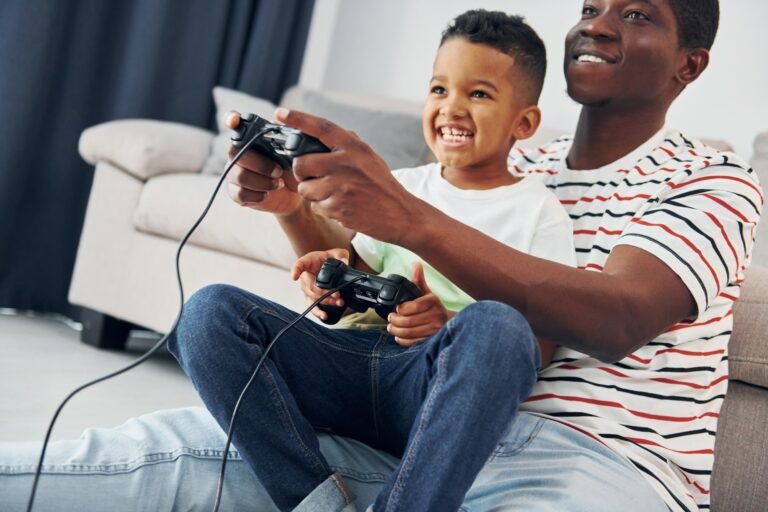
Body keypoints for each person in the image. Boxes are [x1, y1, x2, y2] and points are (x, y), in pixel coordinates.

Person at [0, 1, 762, 511]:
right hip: (409, 417)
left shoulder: (716, 180)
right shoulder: (514, 159)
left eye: (636, 13)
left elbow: (618, 316)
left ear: (688, 64)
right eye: (592, 6)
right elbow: (368, 279)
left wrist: (412, 219)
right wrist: (298, 212)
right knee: (124, 460)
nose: (598, 23)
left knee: (494, 327)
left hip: (590, 461)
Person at [169, 10, 575, 512]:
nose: (452, 108)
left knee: (497, 326)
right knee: (208, 313)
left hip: (432, 386)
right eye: (439, 89)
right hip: (352, 363)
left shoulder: (540, 211)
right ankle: (316, 502)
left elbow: (539, 346)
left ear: (525, 122)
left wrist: (446, 325)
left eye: (479, 94)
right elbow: (357, 271)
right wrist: (325, 270)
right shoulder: (400, 186)